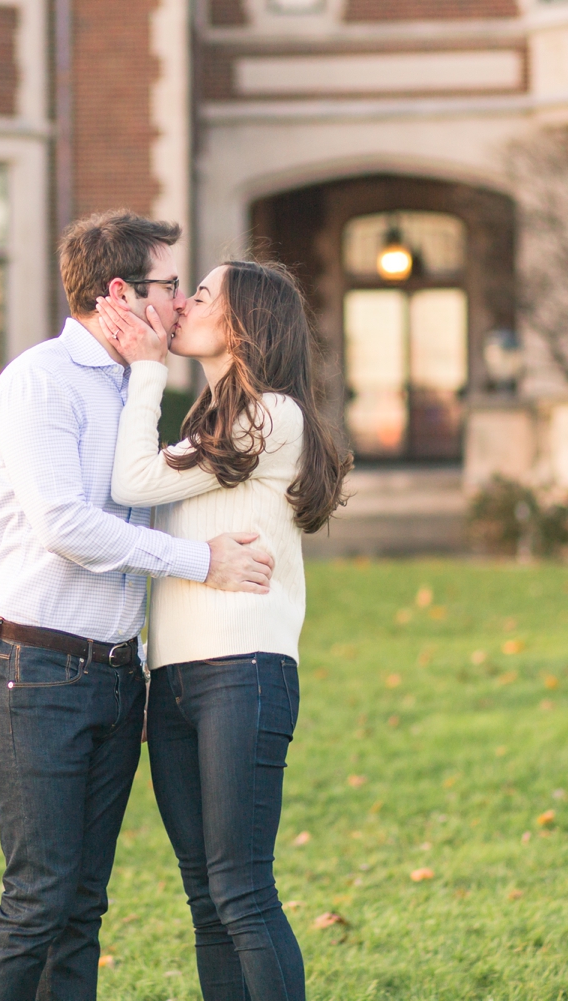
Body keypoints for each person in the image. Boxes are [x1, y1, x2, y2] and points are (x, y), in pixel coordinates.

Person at [0, 211, 278, 1001]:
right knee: (36, 900)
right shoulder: (41, 382)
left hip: (114, 677)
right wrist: (200, 562)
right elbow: (67, 526)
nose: (179, 302)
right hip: (35, 670)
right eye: (171, 285)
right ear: (121, 292)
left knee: (81, 908)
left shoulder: (136, 387)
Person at [96, 259, 351, 1001]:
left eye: (200, 294)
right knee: (206, 898)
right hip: (176, 680)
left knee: (240, 889)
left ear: (243, 323)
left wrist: (146, 368)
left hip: (245, 674)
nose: (181, 304)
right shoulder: (210, 420)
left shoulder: (272, 415)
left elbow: (131, 482)